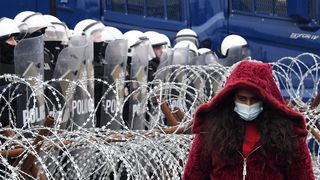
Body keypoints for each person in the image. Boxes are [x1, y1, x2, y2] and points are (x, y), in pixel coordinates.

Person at [183, 60, 315, 179]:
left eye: (254, 99)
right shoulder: (211, 131)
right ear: (231, 97)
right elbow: (193, 175)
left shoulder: (288, 134)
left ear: (266, 99)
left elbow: (303, 176)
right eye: (242, 98)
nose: (248, 104)